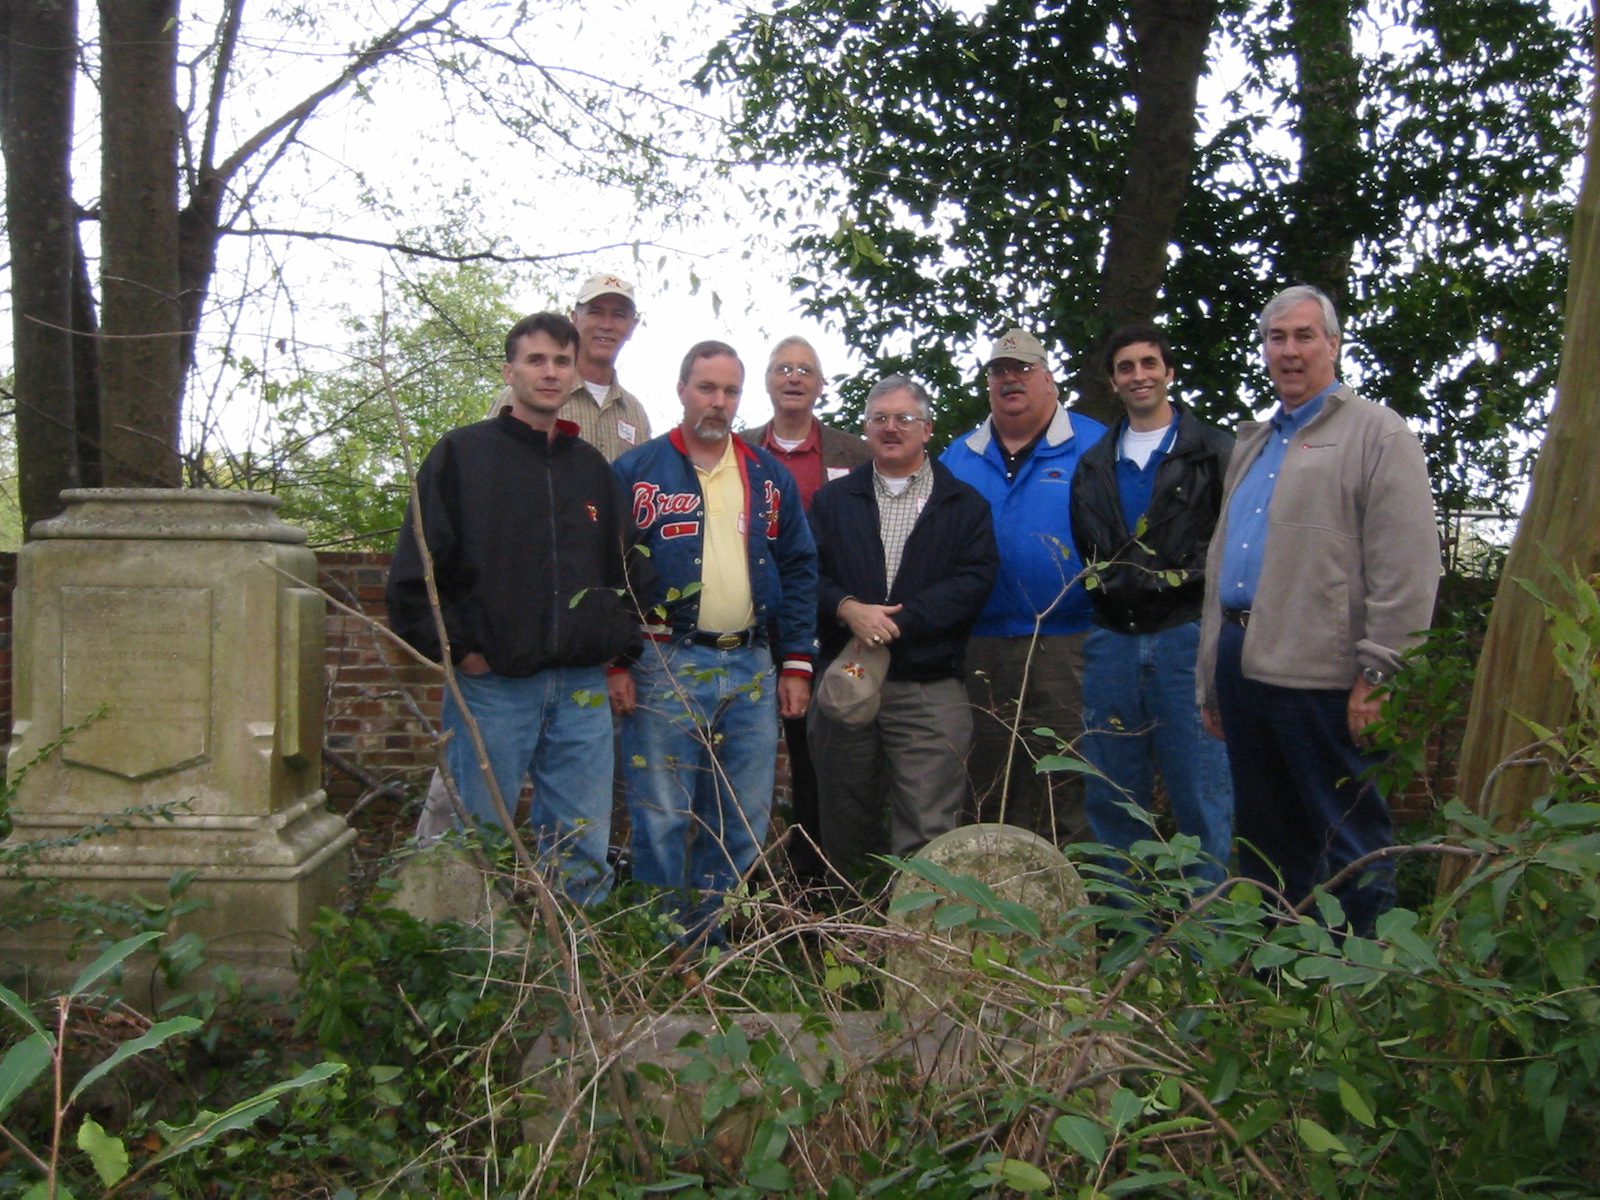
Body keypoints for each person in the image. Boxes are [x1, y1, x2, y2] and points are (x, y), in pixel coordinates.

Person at [1198, 285, 1440, 935]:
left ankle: (1354, 991)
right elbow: (1222, 565)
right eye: (1277, 338)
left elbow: (1410, 566)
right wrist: (1210, 677)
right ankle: (1278, 988)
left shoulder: (1376, 434)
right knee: (1265, 844)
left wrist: (1382, 671)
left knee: (1346, 838)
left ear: (1334, 345)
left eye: (1305, 336)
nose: (1290, 350)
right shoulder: (1255, 443)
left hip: (1323, 677)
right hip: (1243, 664)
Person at [385, 312, 643, 905]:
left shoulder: (592, 472)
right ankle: (470, 959)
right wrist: (462, 651)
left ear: (574, 370)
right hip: (494, 685)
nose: (549, 372)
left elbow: (624, 569)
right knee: (473, 838)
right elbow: (417, 573)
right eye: (536, 360)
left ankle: (575, 963)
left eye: (560, 360)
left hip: (580, 688)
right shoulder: (462, 457)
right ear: (511, 371)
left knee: (581, 842)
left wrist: (617, 645)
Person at [612, 341, 818, 940]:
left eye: (730, 390)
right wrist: (615, 662)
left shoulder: (766, 475)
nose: (719, 402)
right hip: (664, 659)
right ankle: (660, 949)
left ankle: (717, 944)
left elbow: (801, 565)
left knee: (744, 818)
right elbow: (609, 572)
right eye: (707, 388)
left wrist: (797, 661)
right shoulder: (636, 472)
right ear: (681, 390)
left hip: (751, 663)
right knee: (661, 815)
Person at [808, 376, 997, 875]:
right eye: (879, 419)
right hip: (848, 678)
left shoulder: (964, 505)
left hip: (929, 684)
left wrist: (899, 621)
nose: (891, 428)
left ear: (928, 429)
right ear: (866, 428)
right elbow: (805, 575)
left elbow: (975, 581)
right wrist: (849, 608)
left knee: (929, 830)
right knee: (847, 824)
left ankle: (920, 943)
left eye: (904, 419)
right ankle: (850, 939)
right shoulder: (832, 502)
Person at [1069, 324, 1234, 892]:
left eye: (1148, 363)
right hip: (1112, 637)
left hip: (1186, 636)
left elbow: (1229, 545)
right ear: (1113, 381)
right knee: (1113, 791)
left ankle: (1206, 942)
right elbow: (1087, 548)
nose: (1138, 375)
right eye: (1125, 367)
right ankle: (1126, 935)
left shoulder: (1212, 452)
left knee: (1200, 789)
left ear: (1168, 372)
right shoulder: (1093, 463)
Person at [940, 328, 1106, 841]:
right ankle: (991, 910)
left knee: (1072, 787)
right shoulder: (959, 455)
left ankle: (1078, 913)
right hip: (982, 646)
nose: (1010, 379)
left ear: (1050, 380)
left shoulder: (1093, 443)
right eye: (999, 371)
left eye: (1023, 369)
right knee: (989, 787)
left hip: (1071, 644)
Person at [739, 336, 871, 884]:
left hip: (827, 626)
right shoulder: (737, 449)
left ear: (821, 385)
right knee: (743, 752)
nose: (793, 377)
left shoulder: (855, 454)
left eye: (805, 370)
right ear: (767, 382)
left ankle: (817, 878)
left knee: (818, 754)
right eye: (782, 368)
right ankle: (740, 876)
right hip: (746, 623)